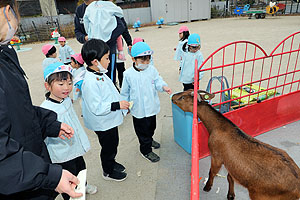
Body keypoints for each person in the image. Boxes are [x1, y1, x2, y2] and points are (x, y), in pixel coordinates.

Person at [0, 1, 82, 199]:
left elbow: (18, 110)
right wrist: (49, 176)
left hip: (26, 172)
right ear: (7, 11)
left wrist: (48, 124)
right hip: (18, 183)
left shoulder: (4, 54)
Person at [41, 62, 97, 199]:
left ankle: (83, 185)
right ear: (47, 86)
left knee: (81, 168)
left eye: (69, 83)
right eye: (61, 84)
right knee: (68, 177)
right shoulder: (45, 110)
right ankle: (71, 196)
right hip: (62, 153)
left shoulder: (65, 99)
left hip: (75, 146)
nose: (67, 88)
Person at [81, 39, 129, 181]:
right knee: (108, 146)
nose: (109, 61)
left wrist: (122, 104)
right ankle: (107, 171)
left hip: (109, 120)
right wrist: (117, 105)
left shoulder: (100, 74)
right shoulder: (90, 82)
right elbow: (97, 107)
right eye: (107, 58)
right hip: (102, 122)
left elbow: (111, 92)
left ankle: (111, 162)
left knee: (113, 143)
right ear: (95, 61)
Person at [120, 42, 172, 163]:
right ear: (133, 59)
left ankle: (150, 138)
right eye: (143, 61)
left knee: (151, 127)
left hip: (151, 107)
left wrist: (163, 87)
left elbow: (158, 80)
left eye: (148, 60)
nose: (146, 63)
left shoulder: (151, 70)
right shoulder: (128, 74)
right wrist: (124, 106)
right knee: (142, 132)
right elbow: (124, 92)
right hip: (138, 110)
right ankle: (146, 150)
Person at [81, 0, 132, 84]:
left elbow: (86, 22)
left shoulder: (90, 7)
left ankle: (101, 87)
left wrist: (90, 35)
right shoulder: (110, 5)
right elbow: (121, 19)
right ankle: (110, 88)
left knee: (97, 68)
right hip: (109, 43)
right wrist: (111, 38)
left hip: (96, 42)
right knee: (110, 69)